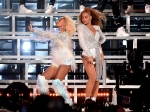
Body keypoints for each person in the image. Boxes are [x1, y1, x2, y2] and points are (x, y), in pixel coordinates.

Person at [28, 16, 76, 106]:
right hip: (57, 62)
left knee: (57, 82)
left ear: (65, 24)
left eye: (60, 20)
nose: (58, 21)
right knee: (42, 79)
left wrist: (35, 31)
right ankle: (45, 101)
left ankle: (68, 103)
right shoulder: (58, 34)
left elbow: (49, 35)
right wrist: (34, 31)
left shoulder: (64, 35)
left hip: (66, 60)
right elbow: (49, 35)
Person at [77, 7, 106, 104]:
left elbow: (103, 39)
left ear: (90, 17)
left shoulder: (96, 27)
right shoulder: (81, 28)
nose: (84, 19)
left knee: (97, 78)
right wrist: (89, 55)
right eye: (82, 18)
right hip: (86, 55)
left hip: (99, 54)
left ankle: (93, 100)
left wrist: (99, 43)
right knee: (92, 77)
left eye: (86, 17)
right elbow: (82, 43)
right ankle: (87, 100)